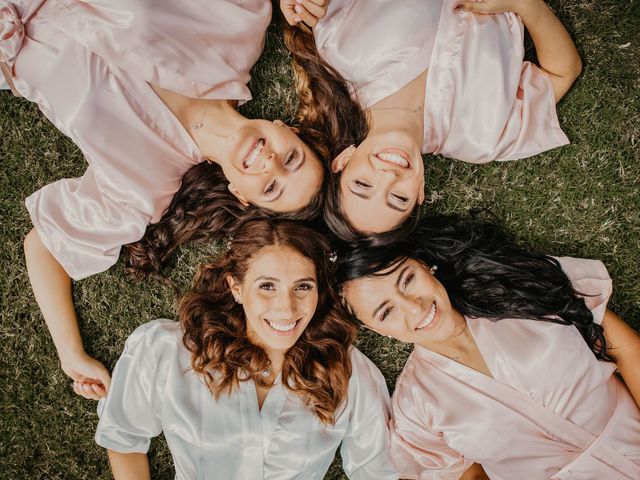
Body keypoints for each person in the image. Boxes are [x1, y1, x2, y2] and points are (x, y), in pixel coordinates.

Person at [0, 0, 325, 397]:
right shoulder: (241, 24)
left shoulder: (141, 188)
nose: (271, 163)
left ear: (241, 194)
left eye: (271, 187)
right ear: (284, 127)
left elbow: (44, 247)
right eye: (292, 157)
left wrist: (71, 354)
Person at [335, 216, 640, 479]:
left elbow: (624, 348)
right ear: (375, 330)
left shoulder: (514, 287)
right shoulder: (415, 406)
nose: (414, 307)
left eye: (408, 280)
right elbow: (460, 474)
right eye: (386, 312)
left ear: (427, 267)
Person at [94, 219, 398, 479]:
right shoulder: (169, 349)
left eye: (303, 286)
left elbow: (377, 469)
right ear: (236, 288)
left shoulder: (348, 372)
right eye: (267, 286)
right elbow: (124, 435)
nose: (287, 307)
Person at [284, 0, 582, 242]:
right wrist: (527, 6)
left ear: (343, 161)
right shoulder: (482, 138)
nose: (388, 177)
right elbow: (562, 73)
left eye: (362, 184)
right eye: (399, 198)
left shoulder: (339, 51)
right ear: (421, 193)